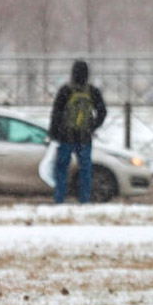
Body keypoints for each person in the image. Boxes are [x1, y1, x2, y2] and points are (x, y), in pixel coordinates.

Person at [48, 60, 107, 204]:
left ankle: (60, 199)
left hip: (66, 136)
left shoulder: (65, 90)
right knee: (85, 171)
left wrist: (53, 133)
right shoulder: (92, 91)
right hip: (84, 138)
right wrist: (92, 126)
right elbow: (103, 112)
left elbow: (56, 113)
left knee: (62, 169)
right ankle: (84, 200)